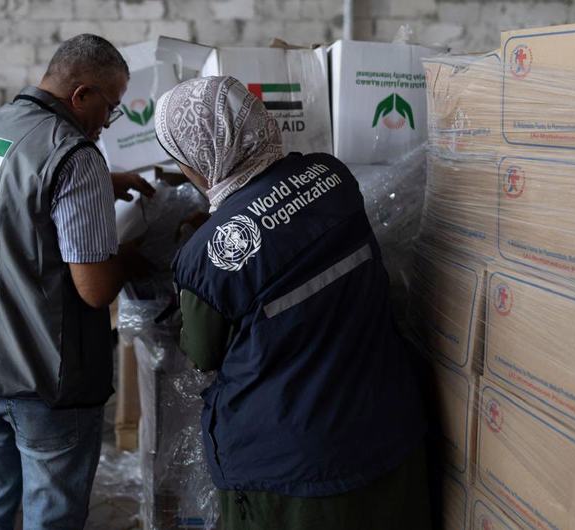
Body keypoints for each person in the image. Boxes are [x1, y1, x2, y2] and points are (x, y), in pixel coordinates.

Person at [154, 76, 430, 529]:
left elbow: (202, 352)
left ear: (204, 155)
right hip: (387, 428)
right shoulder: (331, 176)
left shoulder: (207, 255)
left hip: (293, 471)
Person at [0, 34, 154, 530]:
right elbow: (94, 289)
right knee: (51, 517)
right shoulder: (75, 156)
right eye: (110, 106)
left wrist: (100, 186)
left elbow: (12, 199)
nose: (108, 122)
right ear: (82, 95)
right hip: (42, 376)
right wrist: (135, 256)